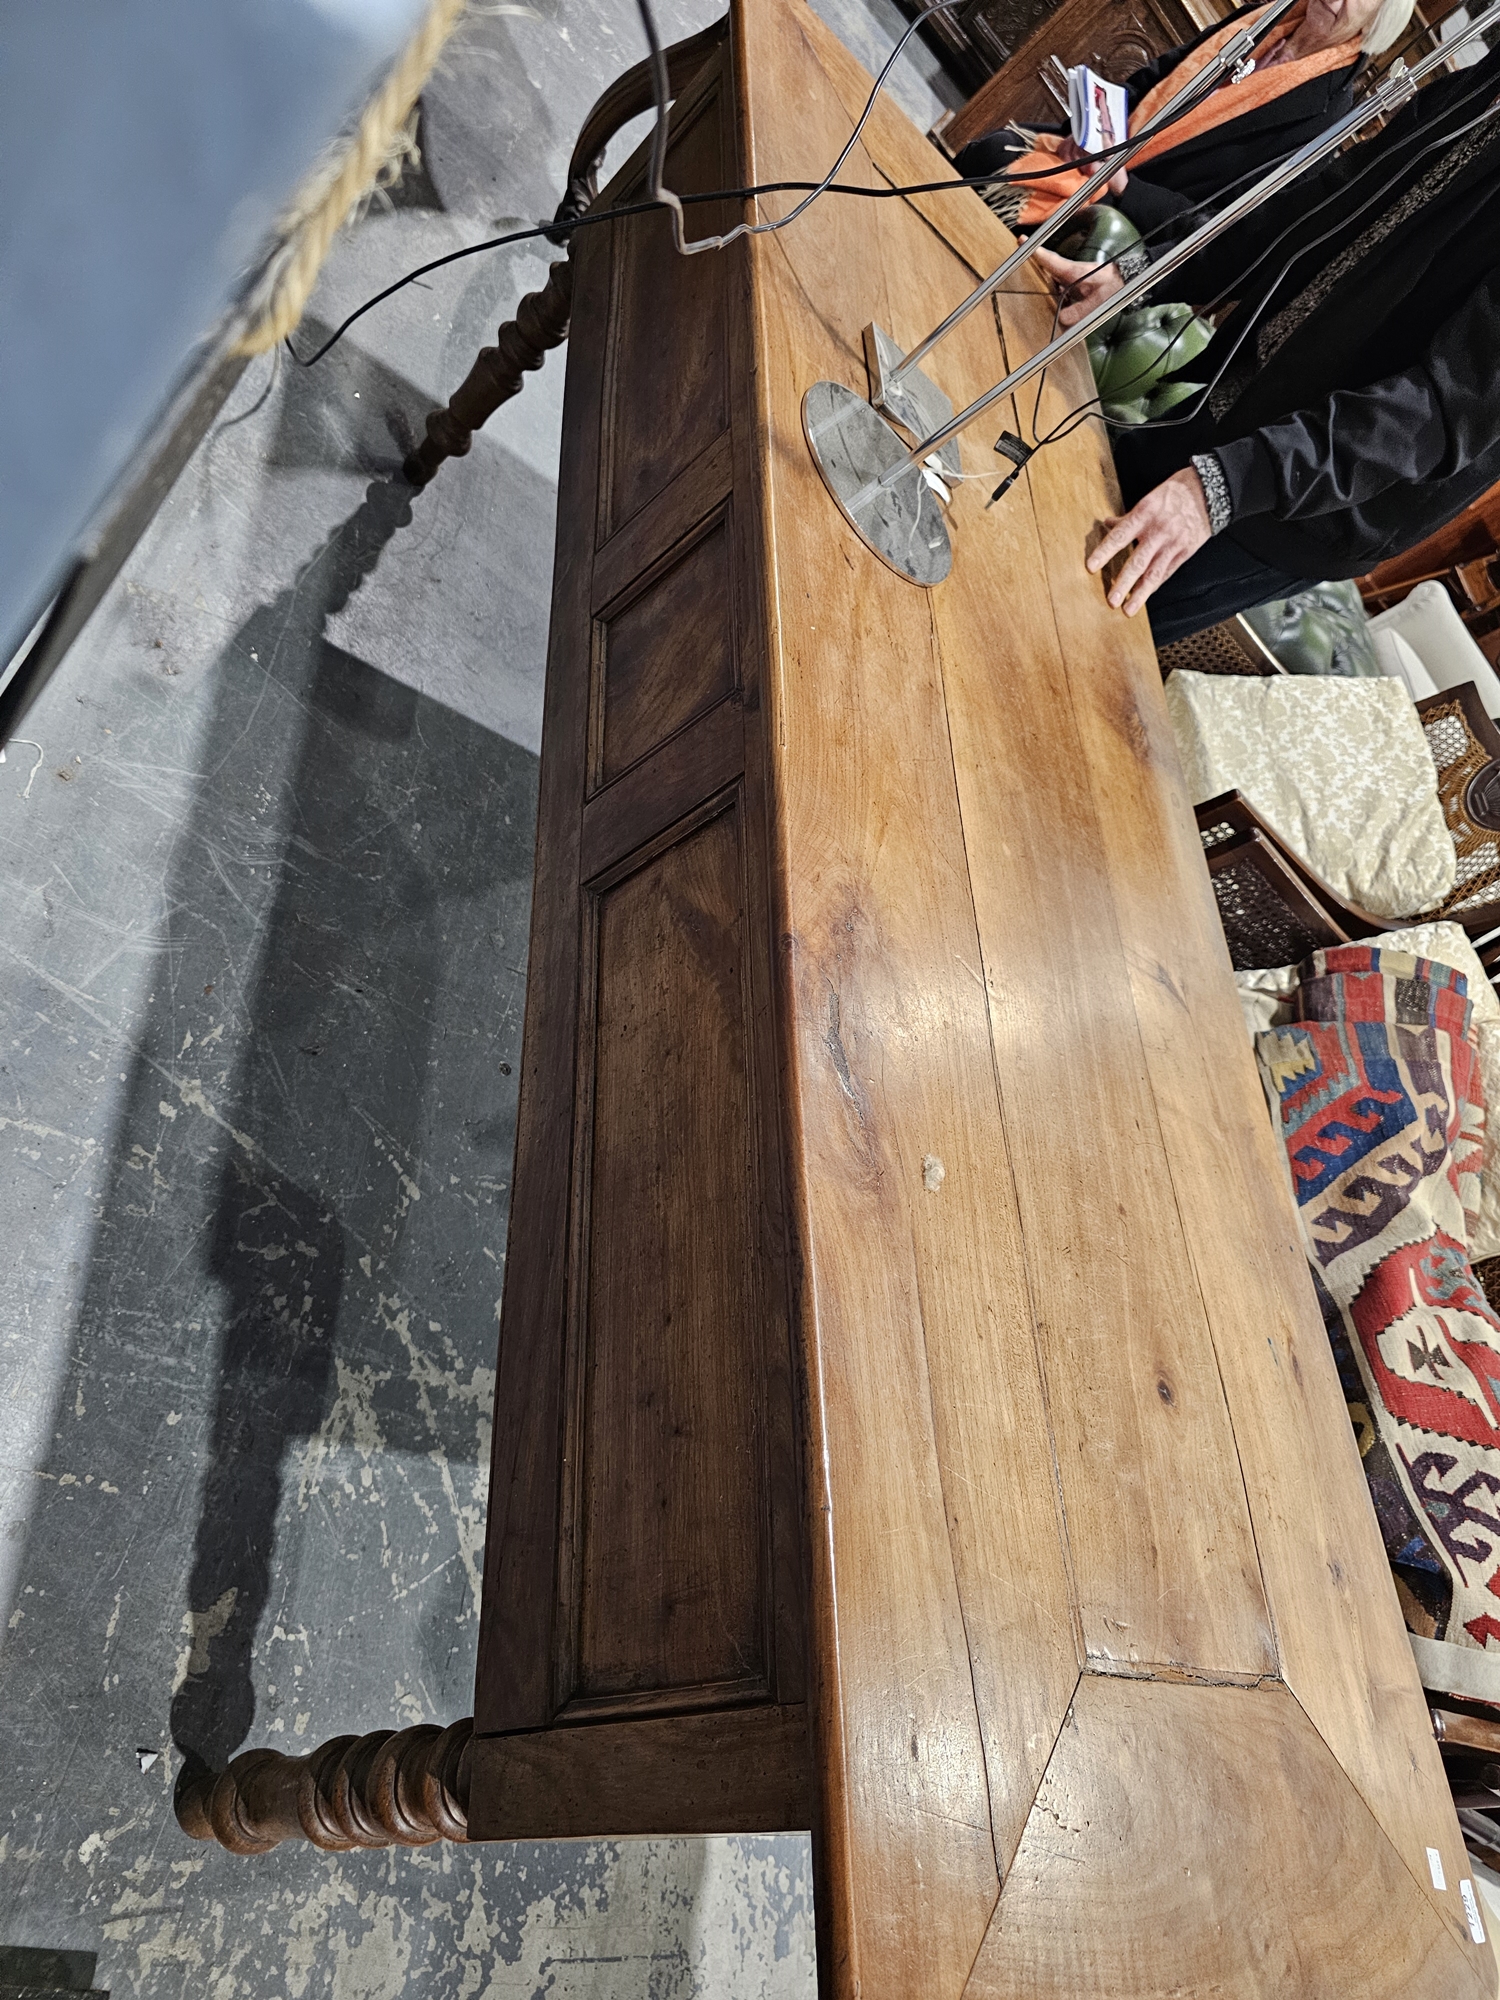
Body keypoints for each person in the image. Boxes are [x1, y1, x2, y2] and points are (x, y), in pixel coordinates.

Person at [1027, 42, 1500, 645]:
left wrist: (1224, 485)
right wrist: (1142, 276)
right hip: (1230, 401)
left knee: (1067, 641)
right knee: (1039, 544)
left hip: (1300, 501)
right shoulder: (1481, 77)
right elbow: (1312, 210)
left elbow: (1438, 412)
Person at [956, 0, 1414, 241]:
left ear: (1378, 22)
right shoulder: (1265, 20)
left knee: (998, 164)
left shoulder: (1323, 118)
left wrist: (1122, 186)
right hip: (1104, 151)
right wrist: (1096, 123)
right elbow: (1160, 73)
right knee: (988, 148)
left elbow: (1222, 224)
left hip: (1138, 216)